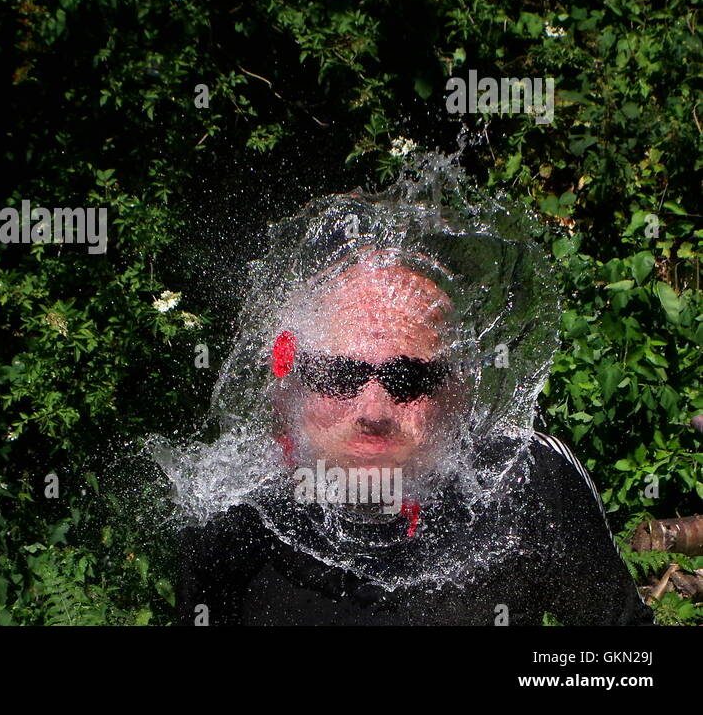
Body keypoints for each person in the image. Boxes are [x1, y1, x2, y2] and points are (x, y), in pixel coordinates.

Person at [176, 246, 654, 626]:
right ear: (287, 390)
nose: (375, 412)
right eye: (339, 376)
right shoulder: (234, 515)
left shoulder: (522, 483)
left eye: (408, 380)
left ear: (458, 392)